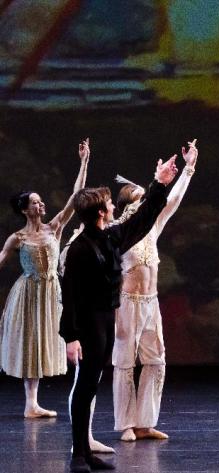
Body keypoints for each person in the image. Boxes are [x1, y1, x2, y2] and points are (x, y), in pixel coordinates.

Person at [60, 155, 179, 472]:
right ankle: (78, 454)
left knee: (92, 383)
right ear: (100, 212)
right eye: (109, 204)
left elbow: (143, 220)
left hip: (104, 321)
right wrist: (71, 337)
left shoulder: (110, 237)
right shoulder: (79, 248)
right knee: (84, 386)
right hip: (86, 324)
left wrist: (160, 183)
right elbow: (69, 295)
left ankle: (85, 454)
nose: (113, 207)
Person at [110, 139, 198, 441]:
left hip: (150, 303)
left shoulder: (151, 228)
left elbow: (170, 203)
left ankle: (145, 422)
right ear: (128, 207)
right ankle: (126, 424)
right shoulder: (119, 234)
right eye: (139, 199)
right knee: (124, 362)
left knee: (156, 359)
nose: (146, 203)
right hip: (127, 302)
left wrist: (188, 169)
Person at [0, 139, 88, 419]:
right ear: (26, 209)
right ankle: (31, 403)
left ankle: (36, 404)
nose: (41, 205)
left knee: (49, 338)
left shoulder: (55, 228)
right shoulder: (18, 237)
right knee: (30, 341)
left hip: (51, 291)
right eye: (35, 202)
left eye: (40, 201)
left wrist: (84, 162)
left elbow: (76, 198)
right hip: (28, 291)